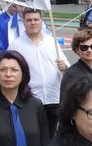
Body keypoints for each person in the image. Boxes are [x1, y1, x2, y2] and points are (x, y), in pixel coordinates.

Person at [10, 8, 67, 137]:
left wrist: (64, 67)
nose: (33, 23)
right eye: (29, 20)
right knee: (34, 134)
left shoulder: (51, 42)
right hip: (31, 99)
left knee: (52, 134)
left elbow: (65, 65)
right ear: (24, 22)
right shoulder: (16, 46)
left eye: (36, 19)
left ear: (41, 21)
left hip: (53, 98)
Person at [61, 29, 92, 95]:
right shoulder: (70, 75)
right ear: (77, 50)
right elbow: (65, 99)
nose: (89, 50)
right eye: (84, 47)